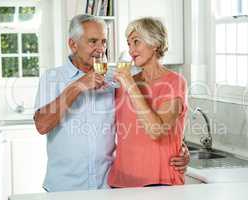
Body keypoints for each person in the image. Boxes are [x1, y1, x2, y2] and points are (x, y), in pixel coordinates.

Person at [34, 14, 189, 192]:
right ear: (73, 44)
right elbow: (42, 125)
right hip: (65, 188)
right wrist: (78, 86)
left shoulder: (114, 81)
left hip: (107, 186)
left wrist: (178, 146)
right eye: (93, 42)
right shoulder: (52, 78)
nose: (101, 49)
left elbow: (146, 124)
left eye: (104, 42)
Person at [108, 17, 188, 188]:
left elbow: (156, 131)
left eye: (136, 42)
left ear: (155, 44)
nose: (131, 50)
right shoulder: (124, 83)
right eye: (129, 44)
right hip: (121, 181)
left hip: (159, 181)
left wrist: (130, 85)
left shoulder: (175, 82)